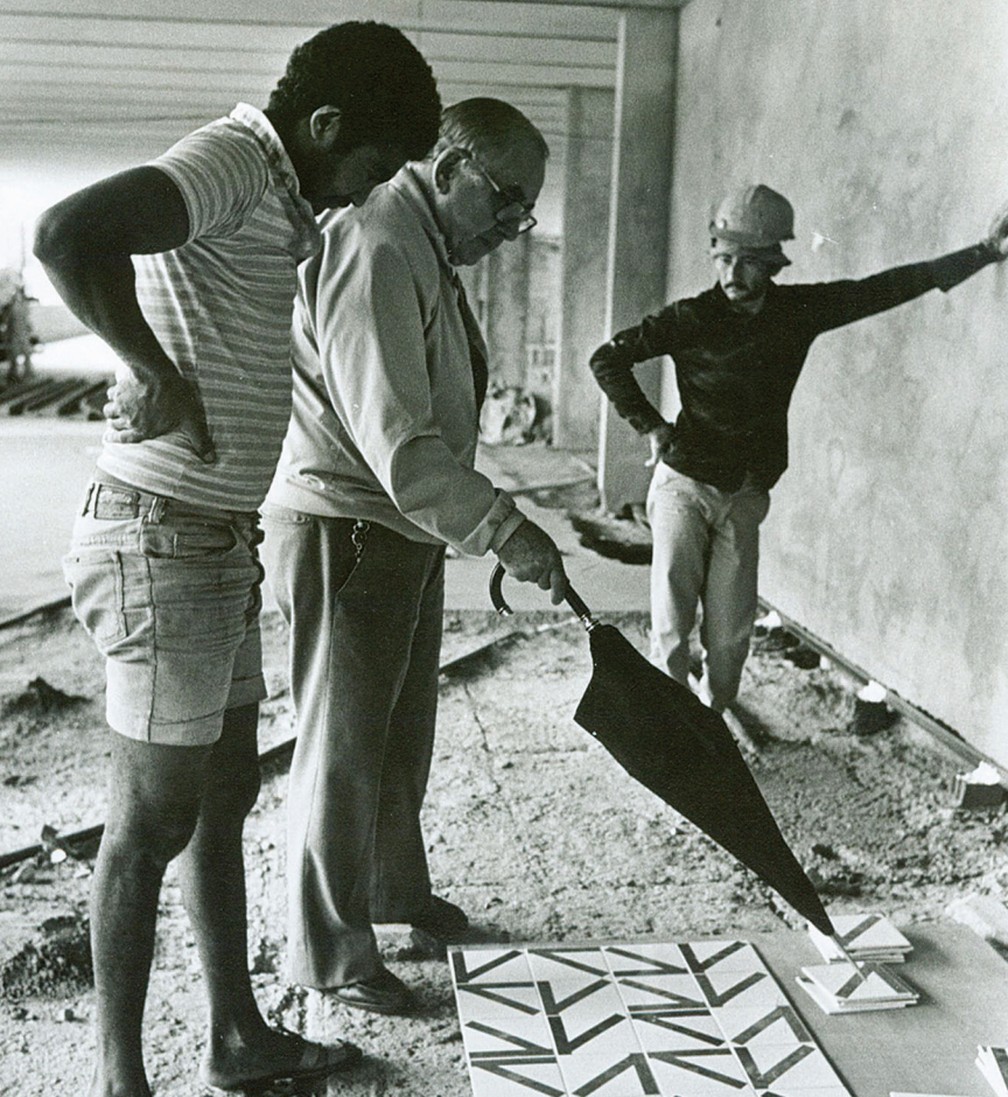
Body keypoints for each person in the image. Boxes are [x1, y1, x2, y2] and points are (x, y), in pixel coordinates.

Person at [32, 22, 441, 1097]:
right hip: (158, 535)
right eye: (369, 168)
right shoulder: (233, 161)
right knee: (152, 817)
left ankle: (235, 1035)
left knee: (222, 798)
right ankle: (120, 1078)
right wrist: (147, 367)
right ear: (325, 125)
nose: (365, 194)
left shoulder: (277, 195)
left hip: (215, 541)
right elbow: (67, 233)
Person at [260, 98, 568, 1015]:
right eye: (506, 201)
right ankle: (328, 950)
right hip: (347, 525)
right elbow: (398, 444)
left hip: (398, 527)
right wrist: (505, 526)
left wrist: (468, 520)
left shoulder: (423, 243)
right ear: (450, 168)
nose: (513, 227)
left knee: (398, 733)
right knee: (341, 745)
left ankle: (392, 892)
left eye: (526, 212)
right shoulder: (378, 244)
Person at [589, 183, 1008, 725]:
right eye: (724, 259)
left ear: (773, 263)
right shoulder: (690, 317)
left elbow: (881, 289)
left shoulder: (795, 313)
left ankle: (713, 715)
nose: (733, 273)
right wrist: (650, 425)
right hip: (683, 487)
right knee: (672, 625)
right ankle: (674, 733)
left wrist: (984, 252)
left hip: (744, 493)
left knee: (730, 637)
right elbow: (607, 360)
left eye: (748, 262)